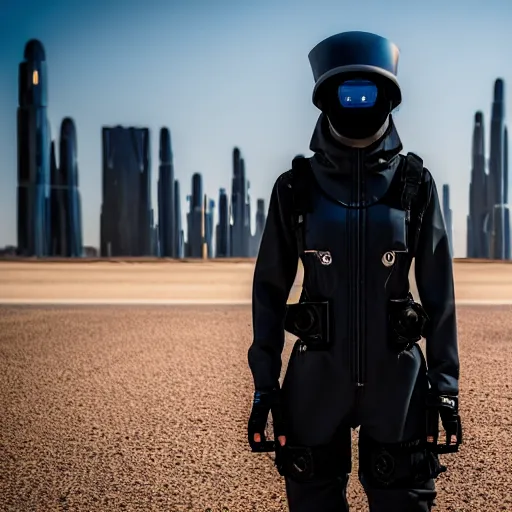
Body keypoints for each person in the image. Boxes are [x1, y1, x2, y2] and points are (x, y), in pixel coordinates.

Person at [247, 31, 462, 512]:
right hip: (315, 384)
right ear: (325, 98)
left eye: (369, 91)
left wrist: (445, 389)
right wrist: (265, 384)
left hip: (398, 385)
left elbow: (439, 293)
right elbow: (268, 290)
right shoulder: (295, 188)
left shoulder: (415, 184)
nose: (358, 102)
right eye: (348, 91)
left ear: (388, 98)